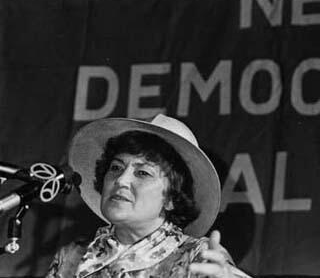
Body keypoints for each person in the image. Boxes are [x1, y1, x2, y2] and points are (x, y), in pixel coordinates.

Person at [45, 114, 250, 278]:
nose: (121, 180)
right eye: (116, 168)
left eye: (143, 173)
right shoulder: (73, 257)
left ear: (171, 198)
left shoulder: (198, 257)